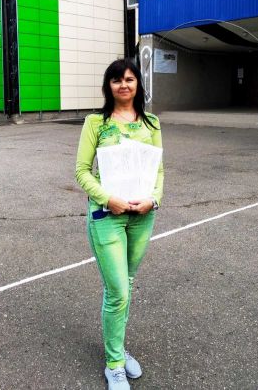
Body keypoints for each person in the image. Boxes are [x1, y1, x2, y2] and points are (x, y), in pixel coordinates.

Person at [75, 58, 164, 389]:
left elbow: (159, 170)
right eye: (116, 80)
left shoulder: (151, 123)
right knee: (118, 292)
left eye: (129, 79)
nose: (123, 85)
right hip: (107, 216)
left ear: (138, 83)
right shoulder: (96, 123)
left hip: (142, 215)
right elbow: (82, 171)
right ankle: (114, 363)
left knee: (125, 285)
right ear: (108, 86)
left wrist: (154, 199)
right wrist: (107, 198)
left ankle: (118, 347)